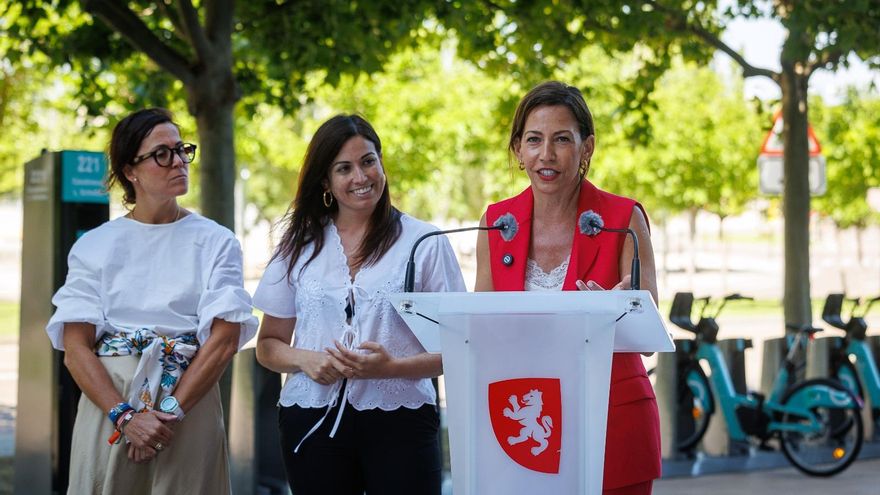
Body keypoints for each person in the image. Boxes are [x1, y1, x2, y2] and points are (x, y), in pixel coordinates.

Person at [46, 107, 258, 494]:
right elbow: (75, 348)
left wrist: (168, 415)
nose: (178, 161)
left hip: (187, 405)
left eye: (182, 150)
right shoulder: (95, 246)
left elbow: (224, 340)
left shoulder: (216, 242)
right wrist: (125, 417)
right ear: (131, 170)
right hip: (110, 405)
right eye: (163, 153)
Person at [253, 114, 465, 495]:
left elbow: (459, 348)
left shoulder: (425, 242)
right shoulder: (297, 246)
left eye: (368, 161)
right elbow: (268, 346)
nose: (361, 177)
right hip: (309, 418)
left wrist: (392, 367)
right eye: (344, 168)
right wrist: (307, 359)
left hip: (402, 419)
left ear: (381, 163)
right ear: (326, 182)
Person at [475, 81, 661, 494]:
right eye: (534, 140)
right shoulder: (496, 223)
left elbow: (647, 339)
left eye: (562, 139)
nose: (547, 154)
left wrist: (616, 312)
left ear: (586, 147)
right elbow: (479, 332)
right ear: (518, 150)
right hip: (524, 425)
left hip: (611, 421)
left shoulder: (622, 217)